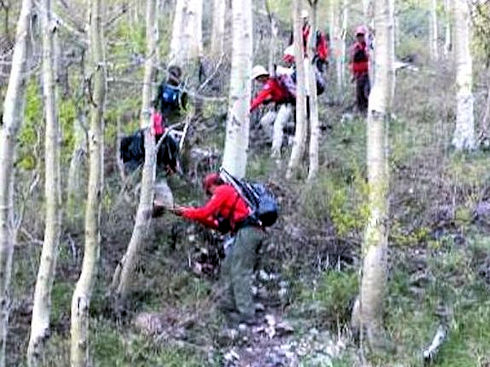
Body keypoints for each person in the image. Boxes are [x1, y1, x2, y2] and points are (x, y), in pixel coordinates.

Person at [173, 173, 266, 325]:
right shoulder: (230, 196)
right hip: (246, 232)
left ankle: (247, 314)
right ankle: (227, 304)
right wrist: (190, 213)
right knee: (227, 267)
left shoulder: (223, 191)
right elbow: (218, 226)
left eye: (209, 192)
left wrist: (185, 211)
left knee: (240, 270)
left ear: (211, 186)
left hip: (249, 231)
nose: (210, 196)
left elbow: (205, 212)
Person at [349, 26, 370, 115]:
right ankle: (361, 113)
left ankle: (368, 111)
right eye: (359, 36)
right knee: (359, 95)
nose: (360, 38)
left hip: (368, 74)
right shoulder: (355, 48)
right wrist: (353, 75)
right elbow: (352, 62)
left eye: (362, 35)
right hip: (359, 75)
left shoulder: (369, 47)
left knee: (367, 93)